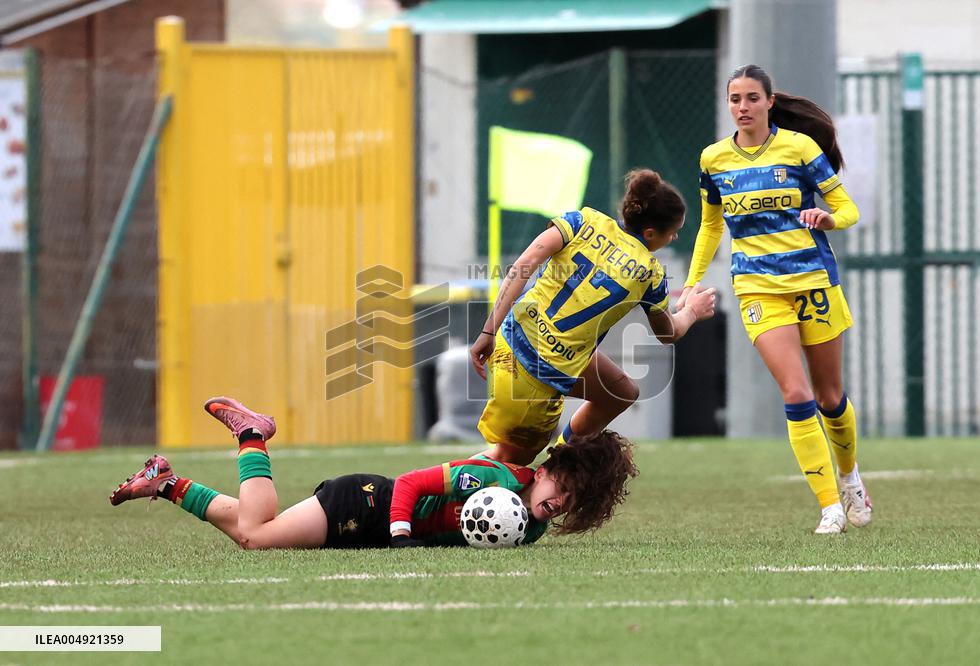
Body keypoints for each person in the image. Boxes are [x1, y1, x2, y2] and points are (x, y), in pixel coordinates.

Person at [675, 64, 871, 534]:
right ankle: (829, 507)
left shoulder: (800, 148)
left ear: (768, 103)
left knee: (829, 397)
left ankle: (849, 477)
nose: (742, 107)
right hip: (758, 287)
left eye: (751, 99)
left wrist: (828, 220)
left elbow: (848, 209)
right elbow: (710, 225)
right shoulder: (713, 159)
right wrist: (690, 282)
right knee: (796, 393)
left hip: (813, 282)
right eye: (734, 99)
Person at [109, 397, 638, 548]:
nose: (560, 503)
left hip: (372, 525)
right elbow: (409, 485)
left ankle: (166, 481)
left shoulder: (535, 524)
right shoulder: (493, 480)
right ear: (546, 469)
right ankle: (251, 435)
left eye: (573, 501)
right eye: (561, 487)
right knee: (255, 535)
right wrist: (402, 533)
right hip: (364, 504)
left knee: (252, 528)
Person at [471, 169, 717, 466]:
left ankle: (560, 463)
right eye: (673, 231)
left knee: (621, 392)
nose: (675, 236)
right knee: (508, 463)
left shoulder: (582, 220)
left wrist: (488, 331)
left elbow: (523, 265)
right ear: (651, 233)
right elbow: (668, 333)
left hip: (513, 338)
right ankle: (418, 491)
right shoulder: (649, 273)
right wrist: (691, 310)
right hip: (535, 373)